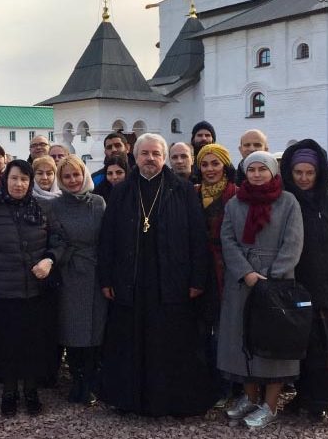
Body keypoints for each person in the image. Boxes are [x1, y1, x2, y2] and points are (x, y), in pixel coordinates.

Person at [97, 133, 213, 417]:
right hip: (131, 280)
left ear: (164, 157)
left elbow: (198, 237)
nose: (150, 158)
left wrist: (198, 279)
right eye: (144, 153)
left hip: (172, 280)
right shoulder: (122, 191)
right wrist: (106, 279)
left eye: (156, 153)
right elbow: (107, 239)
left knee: (171, 345)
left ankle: (173, 402)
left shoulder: (182, 190)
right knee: (130, 344)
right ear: (134, 157)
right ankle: (130, 400)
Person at [218, 151, 303, 429]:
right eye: (251, 169)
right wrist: (246, 273)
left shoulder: (288, 202)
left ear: (272, 172)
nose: (256, 174)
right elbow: (227, 239)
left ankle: (270, 404)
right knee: (243, 338)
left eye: (261, 169)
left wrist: (272, 277)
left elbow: (293, 242)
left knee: (274, 341)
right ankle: (250, 396)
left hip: (276, 282)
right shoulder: (234, 203)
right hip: (242, 280)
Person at [0, 160, 62, 417]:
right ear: (5, 180)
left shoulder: (42, 207)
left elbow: (58, 239)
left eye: (24, 179)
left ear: (30, 181)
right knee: (8, 343)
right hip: (4, 291)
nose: (19, 184)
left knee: (33, 343)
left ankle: (31, 391)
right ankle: (9, 392)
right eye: (14, 178)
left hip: (36, 290)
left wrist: (50, 258)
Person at [280, 140, 328, 423]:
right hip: (297, 282)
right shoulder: (285, 200)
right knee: (302, 344)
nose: (303, 178)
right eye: (298, 172)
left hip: (327, 282)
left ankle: (323, 400)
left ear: (318, 173)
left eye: (308, 173)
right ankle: (303, 394)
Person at [49, 155, 106, 405]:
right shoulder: (56, 206)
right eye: (67, 176)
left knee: (96, 329)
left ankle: (92, 381)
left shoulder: (98, 202)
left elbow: (107, 237)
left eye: (76, 174)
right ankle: (77, 378)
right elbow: (55, 238)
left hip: (95, 271)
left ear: (84, 175)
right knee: (73, 329)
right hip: (70, 271)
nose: (73, 180)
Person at [193, 143, 238, 406]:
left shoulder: (235, 194)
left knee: (224, 330)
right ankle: (203, 382)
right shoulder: (193, 193)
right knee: (200, 328)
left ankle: (226, 386)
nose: (210, 169)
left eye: (215, 163)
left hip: (226, 268)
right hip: (200, 266)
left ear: (225, 165)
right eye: (205, 164)